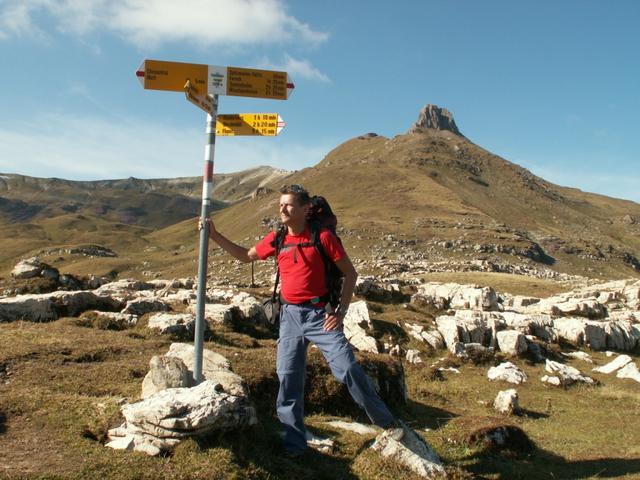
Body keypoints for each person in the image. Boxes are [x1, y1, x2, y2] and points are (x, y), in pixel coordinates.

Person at [200, 184, 402, 456]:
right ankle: (294, 444)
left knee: (348, 367)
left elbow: (350, 274)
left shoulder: (323, 237)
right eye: (280, 204)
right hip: (290, 316)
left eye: (288, 205)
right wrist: (214, 235)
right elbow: (244, 255)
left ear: (306, 209)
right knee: (288, 379)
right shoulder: (279, 237)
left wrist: (340, 312)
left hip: (321, 314)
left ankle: (387, 422)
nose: (282, 209)